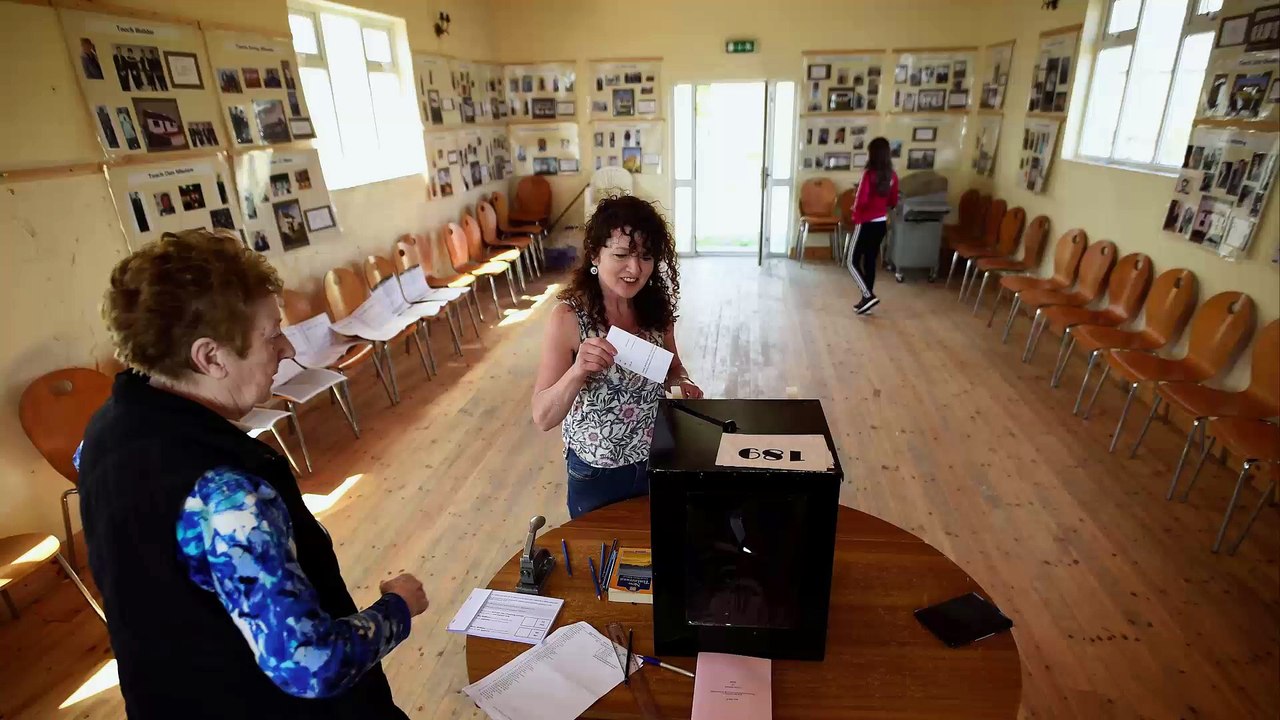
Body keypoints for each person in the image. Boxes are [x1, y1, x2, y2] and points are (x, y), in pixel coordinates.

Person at [78, 230, 427, 719]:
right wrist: (398, 609)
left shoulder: (104, 429)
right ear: (210, 357)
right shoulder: (226, 495)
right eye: (271, 335)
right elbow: (310, 665)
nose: (286, 349)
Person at [532, 196, 702, 519]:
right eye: (622, 255)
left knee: (654, 558)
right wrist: (578, 370)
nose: (635, 268)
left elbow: (673, 367)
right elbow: (542, 416)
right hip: (597, 473)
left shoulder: (655, 309)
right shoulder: (569, 318)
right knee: (600, 564)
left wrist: (683, 381)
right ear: (595, 254)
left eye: (646, 257)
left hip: (657, 459)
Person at [849, 136, 899, 315]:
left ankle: (868, 295)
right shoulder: (892, 176)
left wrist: (854, 211)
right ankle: (866, 301)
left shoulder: (869, 174)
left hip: (865, 223)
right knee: (869, 261)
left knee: (851, 261)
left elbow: (861, 200)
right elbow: (893, 201)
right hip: (880, 225)